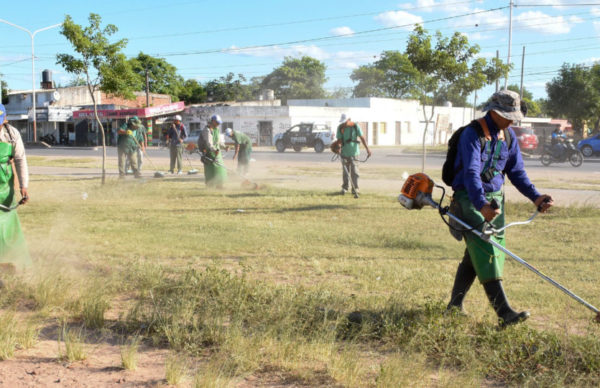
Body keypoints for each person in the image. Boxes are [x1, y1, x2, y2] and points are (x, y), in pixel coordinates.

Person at [447, 90, 554, 328]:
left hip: (495, 199)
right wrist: (481, 205)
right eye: (508, 115)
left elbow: (516, 172)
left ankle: (453, 306)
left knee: (476, 253)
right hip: (470, 198)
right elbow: (472, 173)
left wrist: (536, 197)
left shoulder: (508, 136)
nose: (512, 120)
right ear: (493, 111)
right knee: (486, 248)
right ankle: (505, 313)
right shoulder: (471, 134)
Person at [0, 103, 32, 274]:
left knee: (8, 227)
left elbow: (20, 159)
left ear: (4, 119)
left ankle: (12, 261)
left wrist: (23, 185)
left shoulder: (11, 134)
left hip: (5, 188)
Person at [334, 114, 371, 198]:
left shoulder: (355, 126)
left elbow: (362, 138)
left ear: (349, 119)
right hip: (344, 153)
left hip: (354, 153)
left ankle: (355, 189)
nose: (344, 124)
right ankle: (345, 188)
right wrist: (338, 147)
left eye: (345, 122)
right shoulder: (340, 127)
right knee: (345, 171)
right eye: (343, 122)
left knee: (355, 171)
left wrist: (367, 149)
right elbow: (339, 140)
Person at [198, 114, 227, 188]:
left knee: (221, 169)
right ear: (213, 121)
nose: (218, 124)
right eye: (217, 122)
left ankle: (220, 184)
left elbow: (218, 142)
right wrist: (214, 150)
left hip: (217, 153)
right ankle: (210, 185)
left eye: (219, 123)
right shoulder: (207, 130)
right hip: (209, 153)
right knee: (211, 171)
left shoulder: (216, 129)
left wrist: (225, 147)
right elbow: (208, 143)